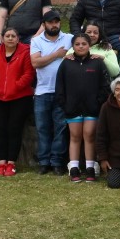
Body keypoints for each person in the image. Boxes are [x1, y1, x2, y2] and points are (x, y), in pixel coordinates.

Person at [55, 32, 111, 182]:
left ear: (89, 45)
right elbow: (59, 86)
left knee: (89, 135)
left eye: (84, 44)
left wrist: (98, 102)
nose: (81, 46)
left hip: (92, 108)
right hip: (72, 108)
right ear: (73, 46)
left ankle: (90, 167)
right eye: (77, 44)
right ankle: (74, 168)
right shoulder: (66, 63)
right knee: (75, 136)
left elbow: (104, 86)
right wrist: (64, 104)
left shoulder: (97, 62)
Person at [0, 26, 35, 177]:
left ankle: (11, 163)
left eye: (13, 36)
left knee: (14, 129)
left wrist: (15, 87)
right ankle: (1, 163)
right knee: (0, 130)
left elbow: (28, 73)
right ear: (2, 38)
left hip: (20, 97)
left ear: (18, 38)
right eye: (7, 36)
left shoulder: (25, 52)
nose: (10, 38)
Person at [30, 9, 73, 175]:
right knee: (43, 129)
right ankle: (43, 162)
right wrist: (57, 54)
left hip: (62, 91)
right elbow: (36, 63)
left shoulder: (69, 38)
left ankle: (56, 162)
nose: (54, 25)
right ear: (44, 24)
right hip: (42, 91)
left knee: (60, 129)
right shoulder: (36, 41)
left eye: (56, 22)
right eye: (50, 22)